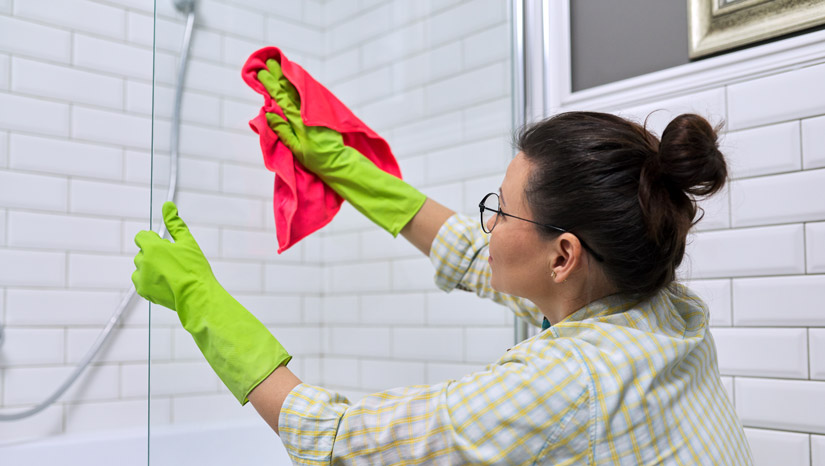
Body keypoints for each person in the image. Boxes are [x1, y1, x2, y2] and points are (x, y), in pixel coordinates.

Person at [131, 60, 753, 465]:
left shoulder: (560, 383)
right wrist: (345, 168)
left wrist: (198, 298)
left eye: (502, 212)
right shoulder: (666, 309)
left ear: (563, 256)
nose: (489, 225)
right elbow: (472, 254)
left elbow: (334, 440)